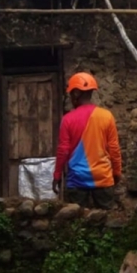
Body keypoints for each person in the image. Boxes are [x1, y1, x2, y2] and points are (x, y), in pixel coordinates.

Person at [52, 72, 122, 210]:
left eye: (71, 93)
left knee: (77, 224)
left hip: (77, 180)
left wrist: (57, 175)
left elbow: (63, 150)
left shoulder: (68, 119)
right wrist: (117, 172)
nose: (71, 97)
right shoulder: (107, 116)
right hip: (103, 178)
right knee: (107, 223)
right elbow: (114, 148)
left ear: (76, 93)